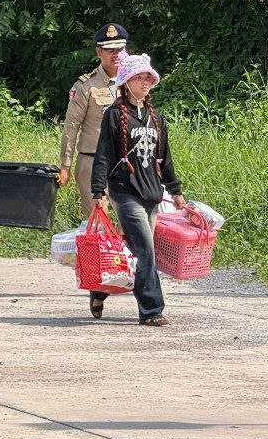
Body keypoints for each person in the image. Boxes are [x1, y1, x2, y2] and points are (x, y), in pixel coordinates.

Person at [89, 53, 186, 326]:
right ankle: (152, 310)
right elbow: (103, 155)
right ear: (126, 82)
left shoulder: (156, 117)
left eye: (148, 78)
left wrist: (175, 191)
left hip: (152, 193)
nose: (145, 82)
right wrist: (98, 192)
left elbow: (165, 159)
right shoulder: (114, 115)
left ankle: (100, 289)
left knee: (134, 251)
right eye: (139, 77)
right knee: (145, 250)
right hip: (125, 192)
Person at [59, 23, 128, 219]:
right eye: (110, 50)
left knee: (130, 223)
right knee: (97, 223)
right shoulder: (86, 85)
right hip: (92, 161)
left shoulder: (133, 82)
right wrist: (65, 165)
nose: (116, 54)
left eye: (120, 49)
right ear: (99, 52)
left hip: (126, 163)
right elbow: (71, 126)